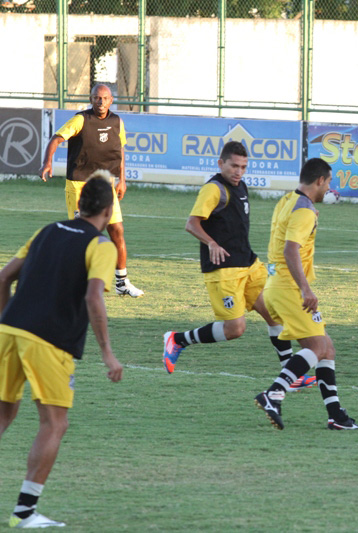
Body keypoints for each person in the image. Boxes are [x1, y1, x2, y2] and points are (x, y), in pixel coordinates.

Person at [0, 173, 124, 529]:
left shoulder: (47, 230)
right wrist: (107, 354)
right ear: (107, 208)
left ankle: (25, 511)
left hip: (9, 329)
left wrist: (6, 323)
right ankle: (24, 512)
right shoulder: (101, 246)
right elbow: (93, 296)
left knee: (3, 415)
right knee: (54, 423)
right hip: (49, 340)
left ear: (80, 203)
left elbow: (3, 277)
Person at [161, 141, 315, 390]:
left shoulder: (240, 185)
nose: (238, 171)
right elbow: (192, 223)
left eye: (243, 167)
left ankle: (291, 373)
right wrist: (210, 243)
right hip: (224, 270)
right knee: (235, 329)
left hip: (249, 263)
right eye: (234, 166)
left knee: (274, 313)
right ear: (220, 163)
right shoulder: (213, 189)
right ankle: (177, 340)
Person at [254, 158, 358, 430]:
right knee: (316, 347)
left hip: (275, 285)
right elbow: (291, 249)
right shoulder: (305, 211)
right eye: (329, 183)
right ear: (320, 181)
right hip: (290, 289)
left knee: (327, 348)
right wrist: (305, 288)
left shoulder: (288, 200)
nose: (328, 189)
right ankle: (274, 393)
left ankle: (335, 415)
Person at [38, 83, 143, 298]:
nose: (101, 102)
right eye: (96, 98)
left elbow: (120, 150)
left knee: (117, 230)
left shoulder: (117, 122)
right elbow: (57, 138)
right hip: (79, 184)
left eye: (104, 98)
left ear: (111, 100)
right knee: (82, 236)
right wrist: (47, 162)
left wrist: (122, 180)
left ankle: (122, 282)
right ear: (91, 99)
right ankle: (72, 282)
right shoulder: (81, 120)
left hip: (105, 185)